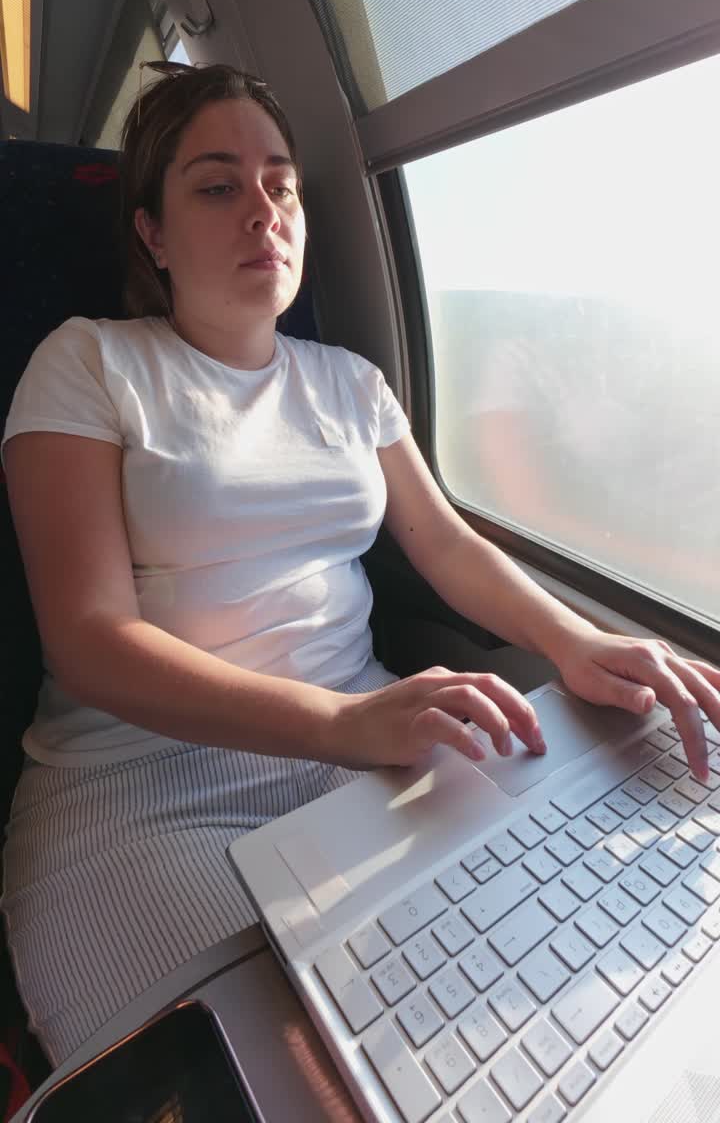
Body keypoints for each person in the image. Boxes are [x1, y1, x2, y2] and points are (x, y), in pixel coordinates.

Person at [2, 64, 719, 1068]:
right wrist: (339, 724)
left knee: (526, 1011)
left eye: (281, 184)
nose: (263, 209)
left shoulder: (351, 382)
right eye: (217, 185)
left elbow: (446, 544)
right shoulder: (90, 363)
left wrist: (577, 640)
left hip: (365, 742)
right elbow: (90, 638)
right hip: (143, 786)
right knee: (288, 1071)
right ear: (153, 233)